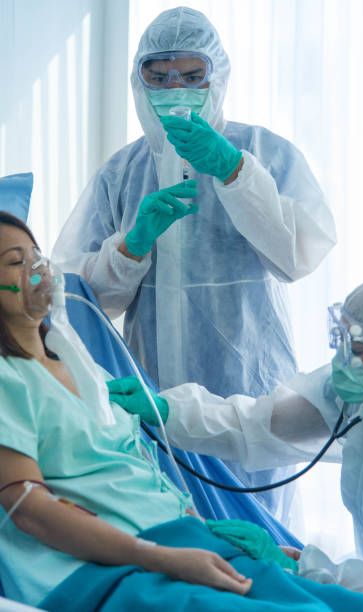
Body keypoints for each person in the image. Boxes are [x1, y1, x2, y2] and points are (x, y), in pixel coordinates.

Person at [0, 213, 363, 612]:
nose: (41, 268)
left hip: (181, 545)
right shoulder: (18, 377)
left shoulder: (82, 367)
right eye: (17, 261)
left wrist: (298, 563)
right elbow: (259, 423)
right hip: (130, 561)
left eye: (37, 253)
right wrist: (167, 414)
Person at [51, 6, 336, 516]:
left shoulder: (266, 152)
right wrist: (130, 247)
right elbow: (75, 299)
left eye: (191, 75)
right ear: (139, 81)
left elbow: (299, 256)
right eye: (158, 76)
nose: (174, 87)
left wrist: (234, 173)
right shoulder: (121, 173)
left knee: (262, 540)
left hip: (253, 389)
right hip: (153, 396)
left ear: (218, 75)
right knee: (175, 538)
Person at [111, 268, 363, 602]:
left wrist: (304, 568)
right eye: (340, 339)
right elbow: (262, 423)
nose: (341, 360)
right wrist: (169, 411)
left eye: (356, 347)